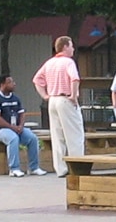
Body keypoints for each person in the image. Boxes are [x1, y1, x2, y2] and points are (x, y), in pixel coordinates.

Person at [33, 35, 82, 177]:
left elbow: (37, 80)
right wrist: (73, 96)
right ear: (65, 47)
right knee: (74, 134)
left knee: (57, 136)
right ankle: (77, 167)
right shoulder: (68, 62)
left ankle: (60, 169)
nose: (73, 49)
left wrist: (45, 95)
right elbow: (75, 78)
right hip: (65, 99)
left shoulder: (49, 63)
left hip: (53, 100)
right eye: (71, 46)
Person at [0, 74, 42, 176]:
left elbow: (22, 114)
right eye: (10, 82)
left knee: (32, 138)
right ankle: (14, 169)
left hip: (17, 128)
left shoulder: (16, 98)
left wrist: (21, 126)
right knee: (13, 139)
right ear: (2, 84)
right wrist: (12, 127)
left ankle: (34, 168)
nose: (14, 84)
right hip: (1, 130)